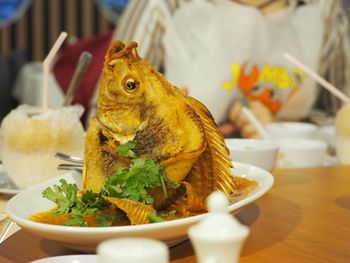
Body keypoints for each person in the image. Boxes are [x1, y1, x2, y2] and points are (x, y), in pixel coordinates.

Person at [89, 0, 350, 138]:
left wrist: (285, 126)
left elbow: (341, 116)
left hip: (294, 180)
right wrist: (154, 118)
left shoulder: (321, 8)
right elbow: (101, 115)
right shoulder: (165, 5)